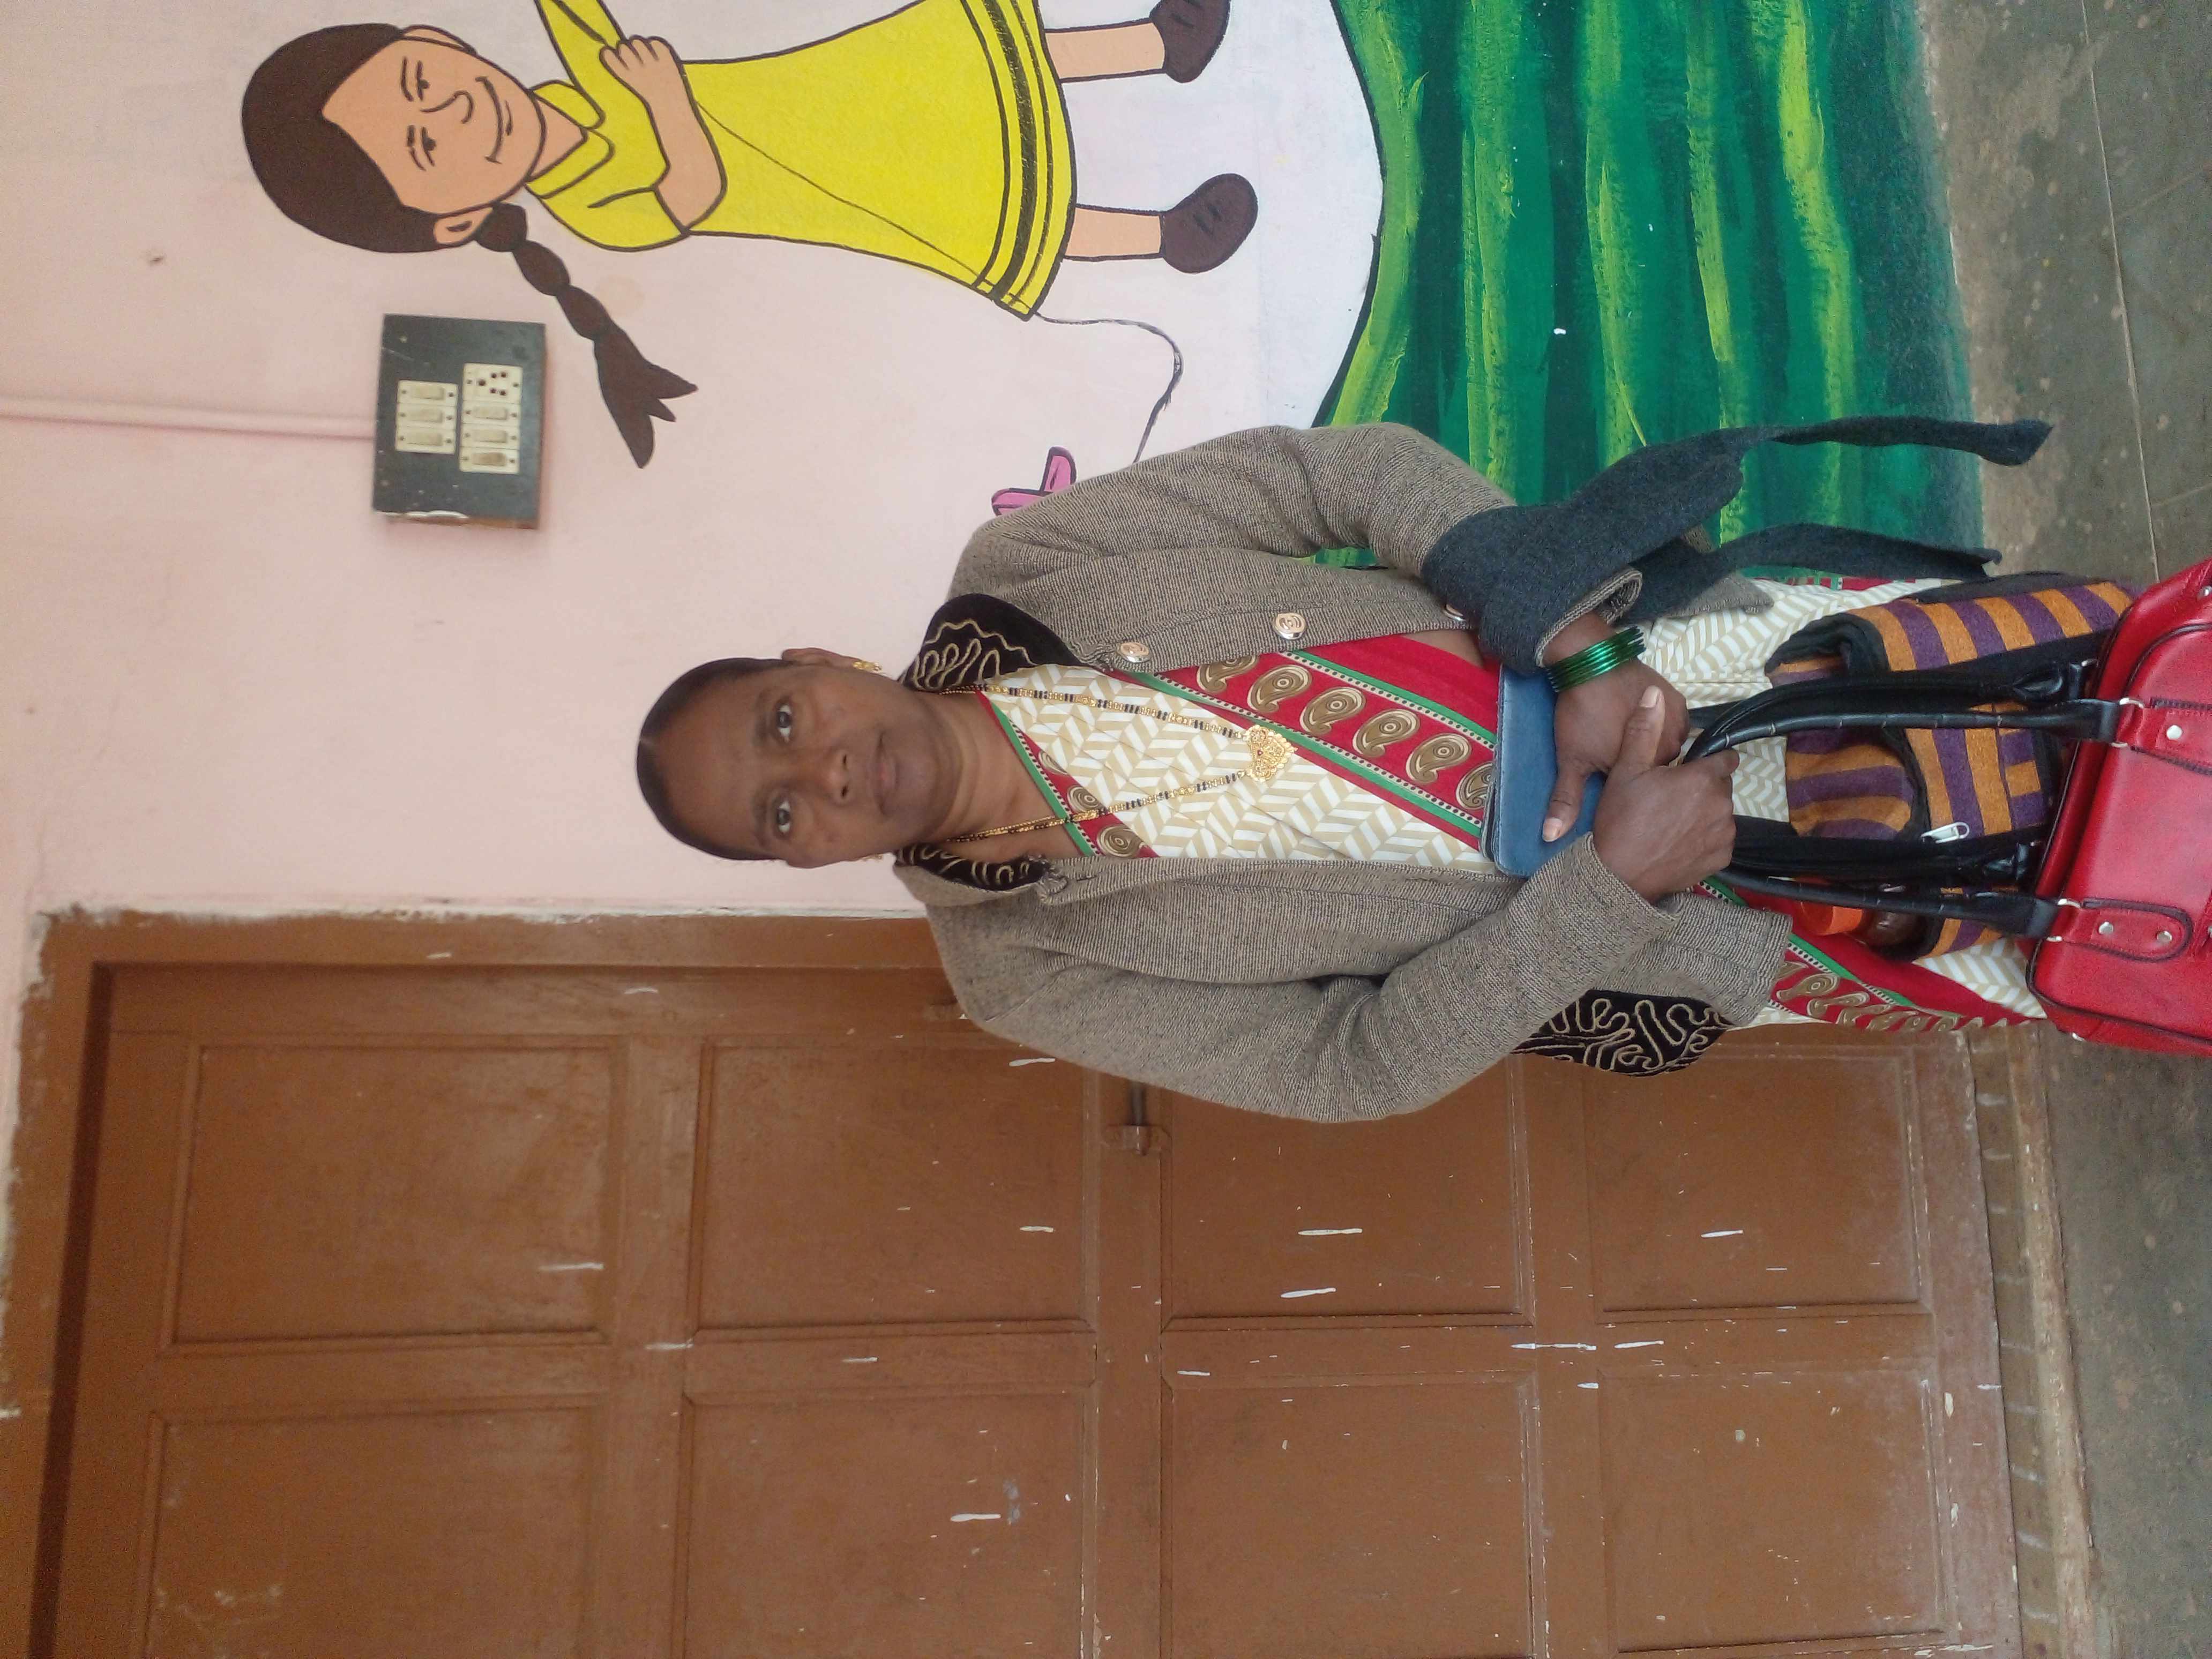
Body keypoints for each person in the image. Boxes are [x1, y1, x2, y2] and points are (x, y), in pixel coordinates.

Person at [635, 420, 2071, 1120]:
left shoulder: (1033, 564)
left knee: (2078, 686)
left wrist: (1576, 647)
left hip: (1680, 667)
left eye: (783, 720)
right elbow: (1347, 1067)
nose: (824, 774)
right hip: (1690, 921)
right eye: (780, 816)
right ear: (807, 863)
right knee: (2084, 930)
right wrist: (1611, 892)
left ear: (817, 661)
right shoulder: (1021, 971)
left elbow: (1338, 473)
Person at [241, 0, 1252, 464]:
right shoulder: (587, 208)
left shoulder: (575, 85)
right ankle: (1162, 239)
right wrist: (666, 97)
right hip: (818, 178)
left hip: (823, 91)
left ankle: (1152, 43)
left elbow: (577, 16)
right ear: (456, 220)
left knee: (952, 56)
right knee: (974, 207)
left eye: (427, 81)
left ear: (438, 39)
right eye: (427, 147)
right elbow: (692, 193)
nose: (458, 112)